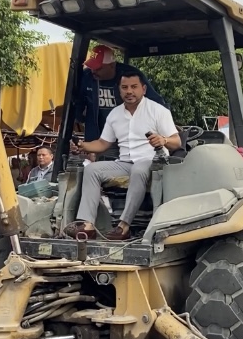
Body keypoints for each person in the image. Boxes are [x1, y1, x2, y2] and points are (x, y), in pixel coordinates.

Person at [66, 70, 179, 241]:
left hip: (152, 162)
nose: (129, 91)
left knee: (139, 169)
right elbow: (103, 144)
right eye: (124, 87)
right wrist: (83, 146)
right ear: (119, 91)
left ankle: (124, 226)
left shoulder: (158, 111)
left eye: (134, 87)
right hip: (125, 163)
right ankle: (87, 226)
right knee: (92, 170)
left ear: (143, 89)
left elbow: (176, 141)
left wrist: (163, 139)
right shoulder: (115, 114)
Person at [76, 45, 166, 142]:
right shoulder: (86, 76)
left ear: (112, 65)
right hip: (97, 138)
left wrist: (164, 126)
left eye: (98, 68)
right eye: (92, 67)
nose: (93, 71)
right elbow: (77, 103)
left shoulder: (131, 75)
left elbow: (156, 101)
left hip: (127, 139)